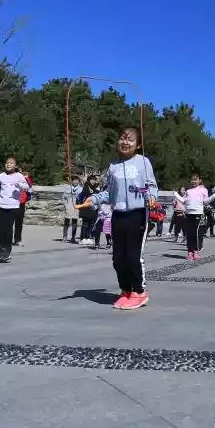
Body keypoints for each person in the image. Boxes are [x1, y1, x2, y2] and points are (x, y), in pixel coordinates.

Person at [75, 127, 158, 310]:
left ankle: (139, 292)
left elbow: (151, 186)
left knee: (133, 256)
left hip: (137, 214)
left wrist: (151, 196)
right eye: (122, 138)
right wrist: (94, 199)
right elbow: (109, 193)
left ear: (138, 145)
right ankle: (125, 290)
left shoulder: (143, 162)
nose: (125, 142)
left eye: (130, 140)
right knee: (118, 257)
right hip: (118, 215)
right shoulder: (113, 166)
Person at [0, 157, 31, 262]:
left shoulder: (18, 176)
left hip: (12, 206)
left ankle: (7, 251)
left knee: (7, 229)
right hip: (0, 205)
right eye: (7, 163)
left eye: (11, 163)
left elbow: (28, 188)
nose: (8, 164)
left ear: (15, 166)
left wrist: (20, 184)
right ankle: (1, 249)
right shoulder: (1, 176)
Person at [177, 174, 215, 258]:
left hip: (198, 213)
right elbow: (184, 201)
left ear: (199, 180)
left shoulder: (203, 190)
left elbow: (206, 201)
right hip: (188, 213)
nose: (194, 181)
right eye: (192, 180)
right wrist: (176, 194)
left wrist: (214, 195)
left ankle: (196, 251)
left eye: (195, 179)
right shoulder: (188, 191)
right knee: (189, 233)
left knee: (196, 232)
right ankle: (190, 251)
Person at [77, 174, 101, 244]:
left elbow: (98, 196)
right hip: (86, 207)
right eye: (92, 180)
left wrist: (97, 190)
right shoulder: (86, 186)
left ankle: (88, 237)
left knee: (91, 223)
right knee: (85, 223)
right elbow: (87, 194)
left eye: (94, 180)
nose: (93, 181)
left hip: (93, 208)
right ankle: (82, 238)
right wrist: (95, 191)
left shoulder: (96, 187)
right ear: (89, 180)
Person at [13, 169, 32, 245]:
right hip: (12, 203)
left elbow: (29, 186)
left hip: (21, 203)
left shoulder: (23, 180)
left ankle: (17, 240)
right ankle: (6, 240)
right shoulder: (11, 179)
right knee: (9, 223)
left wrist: (26, 177)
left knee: (19, 223)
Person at [61, 175, 81, 243]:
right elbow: (63, 197)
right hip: (69, 205)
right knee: (66, 221)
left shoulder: (81, 189)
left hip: (76, 206)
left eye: (77, 180)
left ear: (79, 181)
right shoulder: (68, 188)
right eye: (74, 180)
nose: (75, 181)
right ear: (72, 181)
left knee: (74, 222)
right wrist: (65, 205)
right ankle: (64, 236)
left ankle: (73, 237)